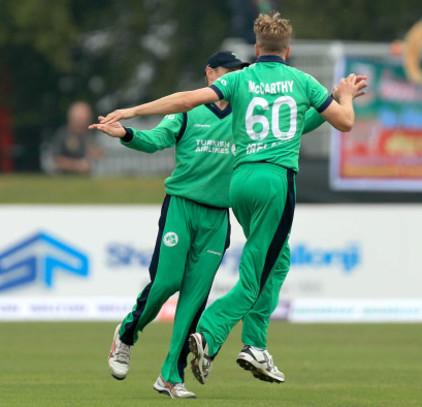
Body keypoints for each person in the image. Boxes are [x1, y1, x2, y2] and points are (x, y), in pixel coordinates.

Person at [95, 12, 366, 387]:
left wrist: (134, 108)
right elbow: (343, 122)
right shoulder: (295, 82)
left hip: (234, 193)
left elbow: (192, 100)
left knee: (260, 265)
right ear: (287, 50)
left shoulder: (241, 85)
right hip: (241, 190)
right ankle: (188, 333)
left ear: (256, 50)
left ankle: (191, 367)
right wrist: (344, 96)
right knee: (219, 278)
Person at [47, 101, 103, 174]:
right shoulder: (62, 134)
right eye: (79, 119)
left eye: (84, 119)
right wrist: (76, 166)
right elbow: (56, 160)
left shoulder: (91, 135)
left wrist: (96, 154)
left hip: (87, 178)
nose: (81, 122)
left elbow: (101, 155)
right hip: (64, 178)